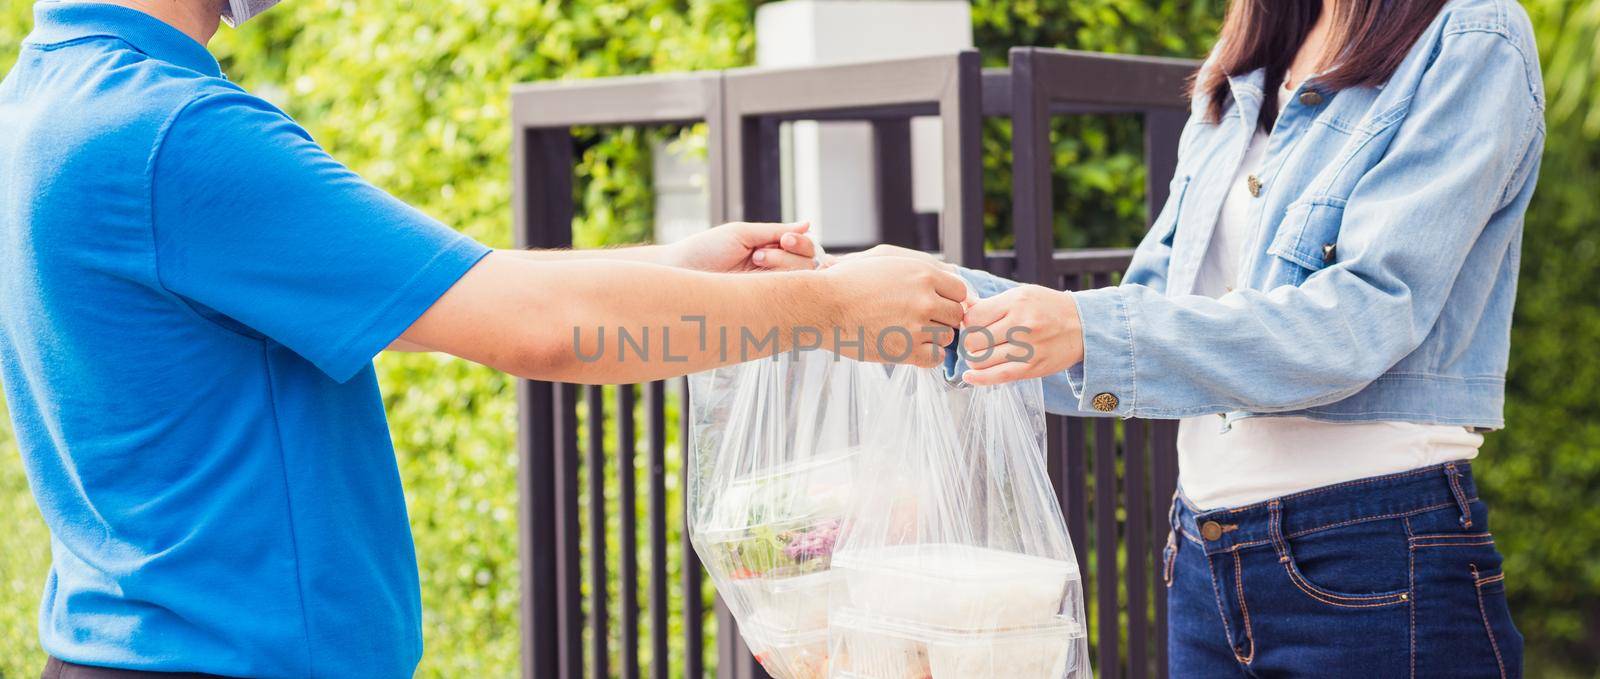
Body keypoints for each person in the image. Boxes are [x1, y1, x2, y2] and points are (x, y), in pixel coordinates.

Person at [0, 1, 967, 677]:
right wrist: (835, 307)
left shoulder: (50, 101)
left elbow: (428, 289)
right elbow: (534, 327)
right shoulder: (177, 131)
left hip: (124, 645)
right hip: (238, 661)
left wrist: (675, 264)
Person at [855, 0, 1543, 675]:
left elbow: (1358, 323)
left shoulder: (1472, 35)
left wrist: (1088, 331)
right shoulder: (1243, 68)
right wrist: (908, 296)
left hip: (1374, 555)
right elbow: (1139, 323)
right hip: (1202, 560)